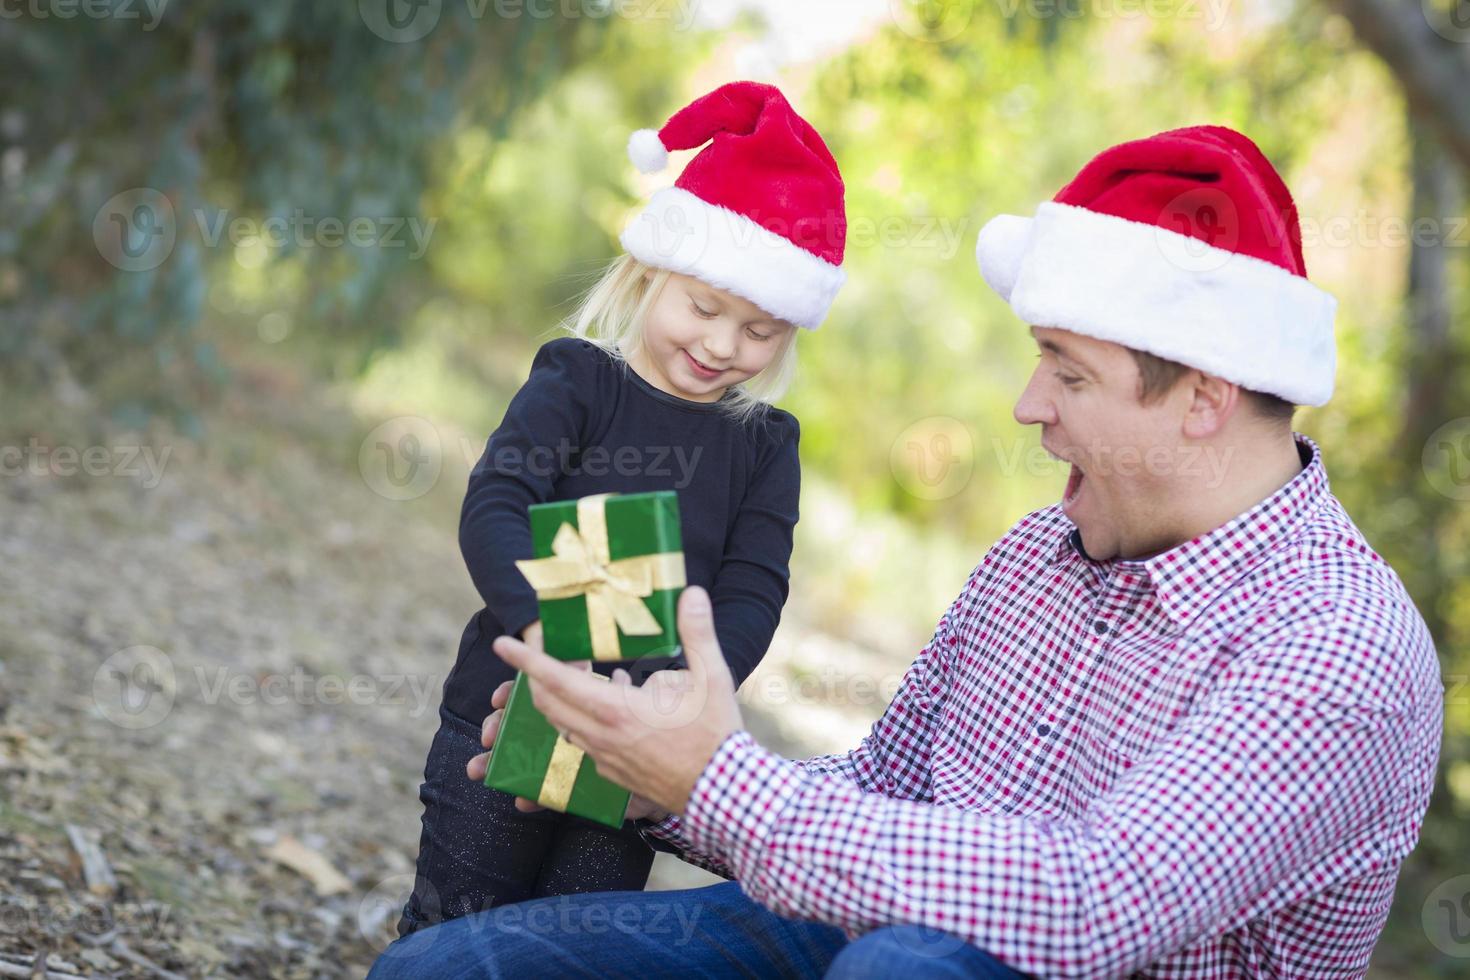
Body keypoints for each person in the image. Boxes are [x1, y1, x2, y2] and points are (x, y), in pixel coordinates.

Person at [372, 127, 1443, 977]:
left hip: (982, 958)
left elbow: (1096, 901)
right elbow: (883, 788)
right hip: (860, 928)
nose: (1029, 408)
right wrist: (649, 768)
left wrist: (715, 779)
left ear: (1205, 398)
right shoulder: (1037, 557)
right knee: (444, 967)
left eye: (1067, 375)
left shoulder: (1339, 645)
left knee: (905, 963)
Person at [395, 81, 849, 936]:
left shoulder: (764, 444)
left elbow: (754, 589)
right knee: (460, 923)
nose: (722, 345)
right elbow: (496, 501)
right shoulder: (580, 380)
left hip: (642, 739)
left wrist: (693, 685)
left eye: (760, 331)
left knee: (573, 939)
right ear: (648, 274)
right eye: (704, 308)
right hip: (514, 705)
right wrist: (548, 633)